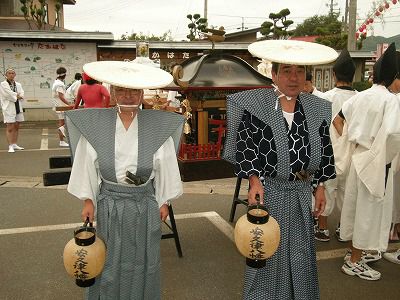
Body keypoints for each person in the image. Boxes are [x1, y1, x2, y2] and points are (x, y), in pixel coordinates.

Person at [223, 40, 338, 299]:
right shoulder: (257, 106)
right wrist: (253, 180)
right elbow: (247, 146)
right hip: (269, 191)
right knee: (265, 250)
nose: (294, 77)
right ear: (274, 75)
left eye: (299, 71)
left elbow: (325, 148)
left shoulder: (316, 107)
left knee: (299, 252)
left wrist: (320, 186)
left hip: (300, 191)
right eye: (286, 70)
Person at [65, 60, 185, 299]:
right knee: (109, 257)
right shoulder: (97, 125)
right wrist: (88, 201)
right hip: (110, 203)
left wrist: (164, 201)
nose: (128, 95)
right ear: (112, 92)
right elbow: (86, 162)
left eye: (134, 90)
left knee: (144, 258)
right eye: (122, 89)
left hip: (144, 203)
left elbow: (166, 166)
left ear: (142, 94)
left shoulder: (157, 125)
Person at [335, 42, 400, 280]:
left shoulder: (359, 97)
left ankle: (355, 253)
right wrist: (385, 159)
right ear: (393, 78)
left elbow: (338, 119)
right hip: (376, 159)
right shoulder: (390, 100)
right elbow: (394, 135)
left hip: (358, 157)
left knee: (354, 208)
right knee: (369, 212)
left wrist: (349, 142)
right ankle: (354, 261)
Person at [314, 49, 358, 242]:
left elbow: (317, 128)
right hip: (354, 153)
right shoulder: (360, 98)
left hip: (329, 153)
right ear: (353, 75)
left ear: (333, 75)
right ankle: (343, 227)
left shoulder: (324, 98)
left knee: (327, 189)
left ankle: (323, 228)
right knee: (348, 192)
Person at [0, 68, 25, 153]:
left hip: (18, 106)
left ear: (15, 75)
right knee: (10, 127)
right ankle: (10, 145)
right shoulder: (3, 84)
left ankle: (14, 143)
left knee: (17, 126)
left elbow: (22, 93)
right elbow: (8, 94)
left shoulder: (18, 84)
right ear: (6, 75)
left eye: (12, 73)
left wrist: (18, 95)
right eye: (9, 73)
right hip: (9, 108)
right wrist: (16, 95)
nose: (11, 74)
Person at [51, 67, 70, 147]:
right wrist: (69, 104)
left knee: (63, 123)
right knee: (62, 123)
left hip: (59, 105)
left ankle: (62, 140)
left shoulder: (57, 82)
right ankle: (61, 141)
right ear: (64, 74)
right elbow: (61, 96)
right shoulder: (59, 84)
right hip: (61, 106)